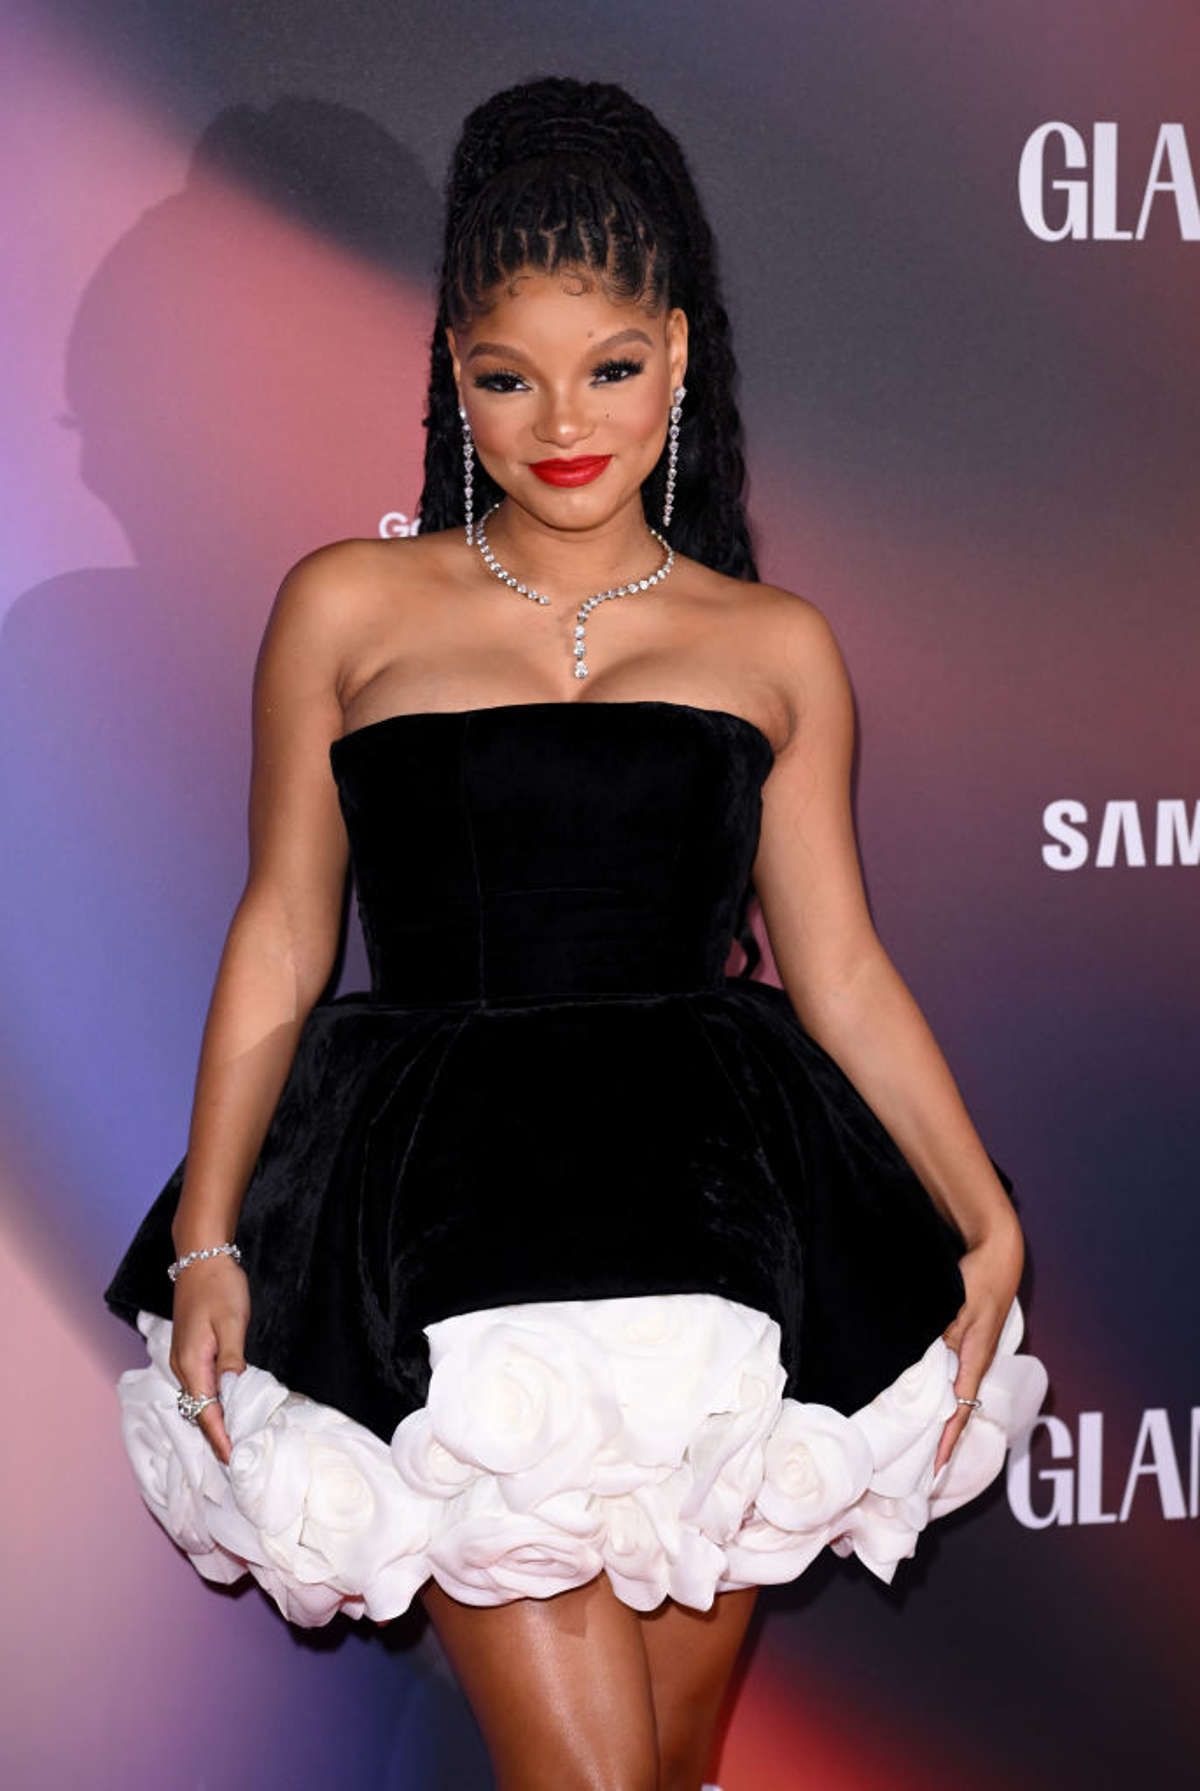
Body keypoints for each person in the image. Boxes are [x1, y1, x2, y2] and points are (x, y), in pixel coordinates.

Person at [104, 74, 1049, 1791]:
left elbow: (837, 965)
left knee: (664, 1774)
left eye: (609, 368)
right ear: (452, 372)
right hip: (447, 1250)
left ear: (676, 358)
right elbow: (283, 934)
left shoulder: (774, 645)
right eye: (507, 376)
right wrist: (211, 1238)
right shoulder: (345, 605)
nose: (561, 422)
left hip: (721, 1247)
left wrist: (982, 1212)